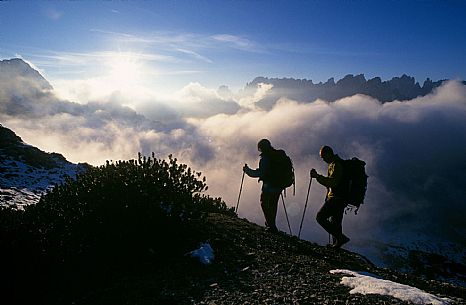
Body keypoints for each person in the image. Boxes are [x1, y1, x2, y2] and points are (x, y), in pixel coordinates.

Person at [310, 145, 350, 248]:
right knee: (336, 221)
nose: (323, 159)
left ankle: (340, 238)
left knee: (320, 217)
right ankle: (336, 245)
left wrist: (317, 177)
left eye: (323, 157)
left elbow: (333, 182)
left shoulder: (336, 165)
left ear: (328, 154)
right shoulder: (337, 163)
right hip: (342, 197)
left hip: (336, 198)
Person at [243, 139, 283, 233]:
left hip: (269, 186)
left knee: (264, 203)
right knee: (273, 205)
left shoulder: (266, 158)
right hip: (279, 185)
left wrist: (247, 170)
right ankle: (272, 225)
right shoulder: (277, 155)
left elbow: (260, 173)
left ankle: (271, 226)